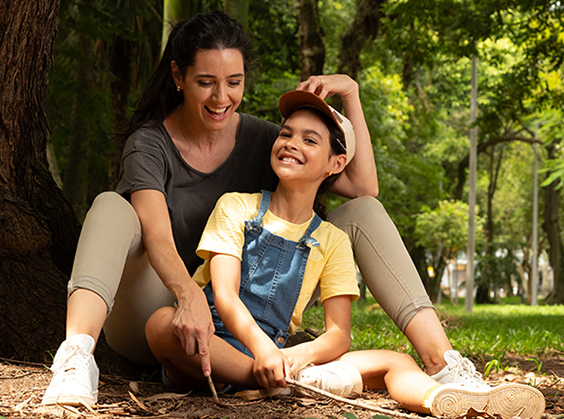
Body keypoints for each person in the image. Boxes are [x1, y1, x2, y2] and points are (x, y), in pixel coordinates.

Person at [42, 11, 484, 407]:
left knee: (364, 210)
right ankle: (76, 358)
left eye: (233, 83)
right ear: (178, 76)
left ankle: (444, 363)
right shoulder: (150, 144)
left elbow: (363, 185)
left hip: (247, 323)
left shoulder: (268, 140)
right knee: (110, 206)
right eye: (205, 82)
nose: (221, 98)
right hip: (160, 301)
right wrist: (190, 296)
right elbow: (156, 236)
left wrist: (351, 94)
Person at [145, 90, 545, 419]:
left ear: (335, 164)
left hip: (286, 359)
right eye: (286, 133)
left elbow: (339, 335)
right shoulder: (238, 207)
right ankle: (262, 381)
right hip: (213, 347)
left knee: (394, 361)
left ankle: (449, 403)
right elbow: (227, 297)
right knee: (161, 325)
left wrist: (294, 357)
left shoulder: (333, 240)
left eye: (309, 140)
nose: (291, 144)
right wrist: (264, 356)